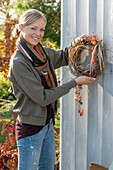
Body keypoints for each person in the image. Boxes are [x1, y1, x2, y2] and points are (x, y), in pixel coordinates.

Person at [8, 9, 96, 170]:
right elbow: (42, 97)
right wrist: (74, 83)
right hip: (30, 130)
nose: (38, 33)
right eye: (33, 28)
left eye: (41, 29)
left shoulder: (41, 53)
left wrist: (77, 44)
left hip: (46, 124)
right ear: (21, 27)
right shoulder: (19, 62)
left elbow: (63, 56)